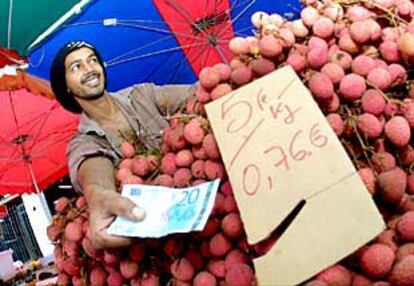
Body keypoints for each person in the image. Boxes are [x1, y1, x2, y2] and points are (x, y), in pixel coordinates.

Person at [50, 41, 195, 249]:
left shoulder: (141, 95)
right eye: (76, 67)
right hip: (160, 237)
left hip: (193, 196)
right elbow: (90, 165)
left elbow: (196, 93)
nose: (89, 69)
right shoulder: (84, 141)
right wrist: (98, 193)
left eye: (92, 61)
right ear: (66, 86)